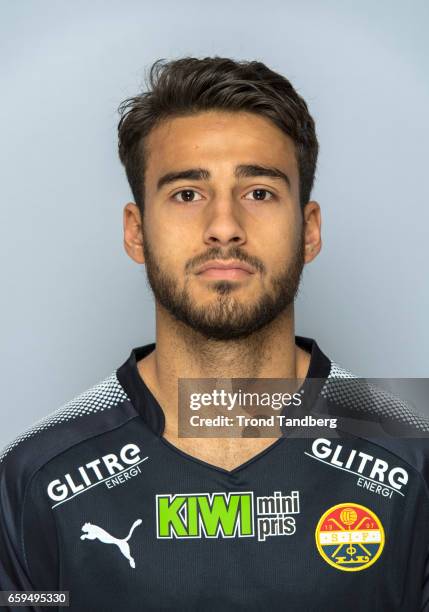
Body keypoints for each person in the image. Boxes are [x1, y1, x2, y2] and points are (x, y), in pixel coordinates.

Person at [0, 56, 428, 612]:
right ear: (136, 232)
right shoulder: (34, 476)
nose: (224, 226)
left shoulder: (412, 452)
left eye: (259, 193)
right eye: (187, 194)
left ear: (309, 231)